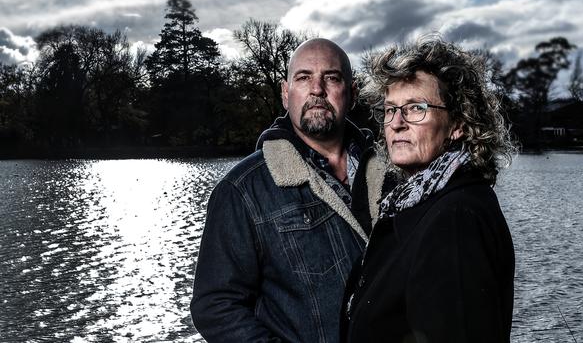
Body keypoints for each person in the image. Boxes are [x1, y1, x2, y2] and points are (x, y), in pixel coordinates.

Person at [191, 38, 386, 343]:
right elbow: (215, 305)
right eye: (304, 77)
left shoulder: (392, 171)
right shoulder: (242, 190)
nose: (317, 89)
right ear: (285, 93)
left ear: (352, 92)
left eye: (331, 78)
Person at [342, 36, 516, 343]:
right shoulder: (417, 202)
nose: (396, 123)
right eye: (390, 109)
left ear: (458, 124)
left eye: (416, 108)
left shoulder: (455, 219)